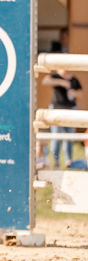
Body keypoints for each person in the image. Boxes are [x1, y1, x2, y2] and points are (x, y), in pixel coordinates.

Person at [43, 30, 81, 169]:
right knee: (56, 137)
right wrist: (61, 82)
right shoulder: (56, 76)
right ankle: (56, 162)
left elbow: (81, 93)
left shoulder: (74, 79)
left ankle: (69, 161)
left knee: (69, 137)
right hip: (57, 108)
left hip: (70, 108)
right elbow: (45, 81)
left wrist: (73, 92)